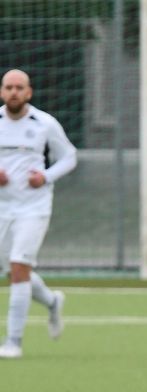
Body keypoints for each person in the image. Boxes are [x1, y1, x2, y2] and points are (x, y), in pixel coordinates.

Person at [0, 69, 76, 359]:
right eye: (9, 87)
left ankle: (13, 342)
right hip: (3, 207)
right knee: (13, 270)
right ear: (2, 92)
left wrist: (45, 176)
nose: (14, 92)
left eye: (19, 87)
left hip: (33, 207)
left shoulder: (44, 123)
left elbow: (69, 156)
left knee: (19, 266)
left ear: (29, 92)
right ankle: (52, 302)